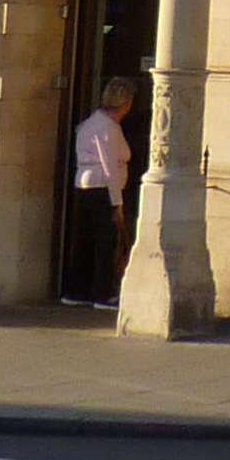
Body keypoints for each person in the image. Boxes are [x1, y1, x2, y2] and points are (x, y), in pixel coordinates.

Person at [66, 75, 140, 308]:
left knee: (86, 239)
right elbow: (109, 166)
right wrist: (117, 203)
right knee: (105, 242)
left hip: (85, 184)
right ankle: (103, 293)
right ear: (125, 102)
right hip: (102, 187)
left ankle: (76, 291)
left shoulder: (90, 123)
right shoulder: (108, 128)